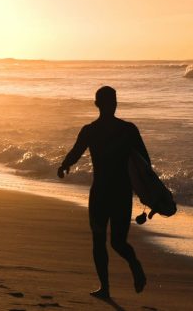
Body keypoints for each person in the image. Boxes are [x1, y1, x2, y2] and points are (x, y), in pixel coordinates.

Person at [57, 86, 149, 300]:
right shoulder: (128, 130)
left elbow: (75, 152)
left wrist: (64, 166)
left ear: (96, 104)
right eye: (112, 101)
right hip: (121, 193)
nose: (112, 104)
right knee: (118, 242)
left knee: (100, 241)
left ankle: (106, 287)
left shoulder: (91, 130)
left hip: (100, 193)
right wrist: (146, 191)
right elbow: (145, 163)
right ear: (113, 103)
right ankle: (130, 267)